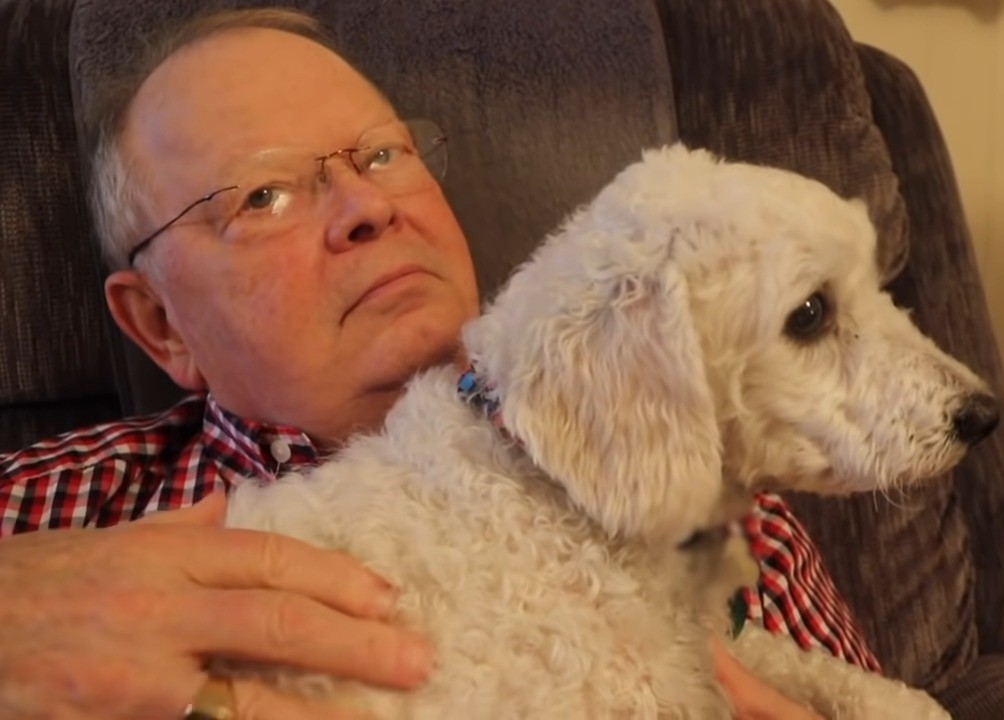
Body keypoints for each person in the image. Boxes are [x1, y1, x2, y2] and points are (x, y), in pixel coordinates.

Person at [0, 8, 877, 720]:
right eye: (261, 196)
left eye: (383, 153)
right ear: (160, 327)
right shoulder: (45, 522)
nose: (366, 205)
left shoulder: (696, 478)